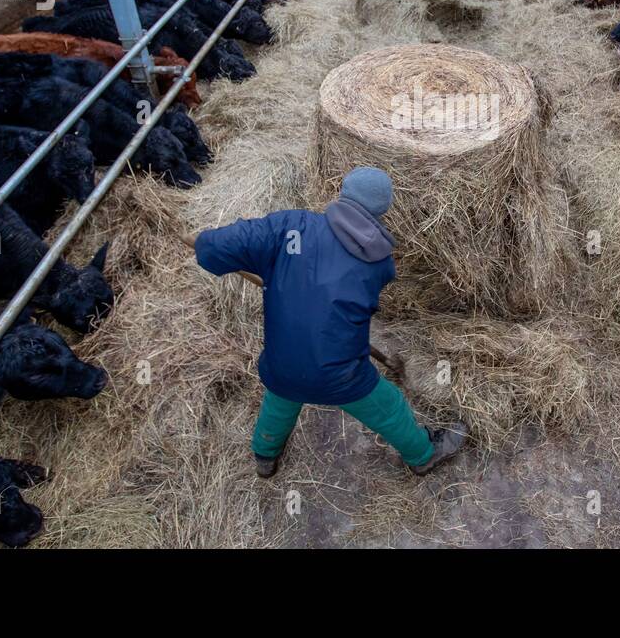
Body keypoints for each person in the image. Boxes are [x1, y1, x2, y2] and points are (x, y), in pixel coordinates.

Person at [187, 166, 467, 477]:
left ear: (343, 193)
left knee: (280, 402)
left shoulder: (290, 228)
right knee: (389, 407)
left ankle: (265, 457)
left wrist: (206, 245)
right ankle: (423, 455)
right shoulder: (380, 265)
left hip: (282, 366)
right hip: (342, 377)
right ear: (382, 211)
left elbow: (215, 249)